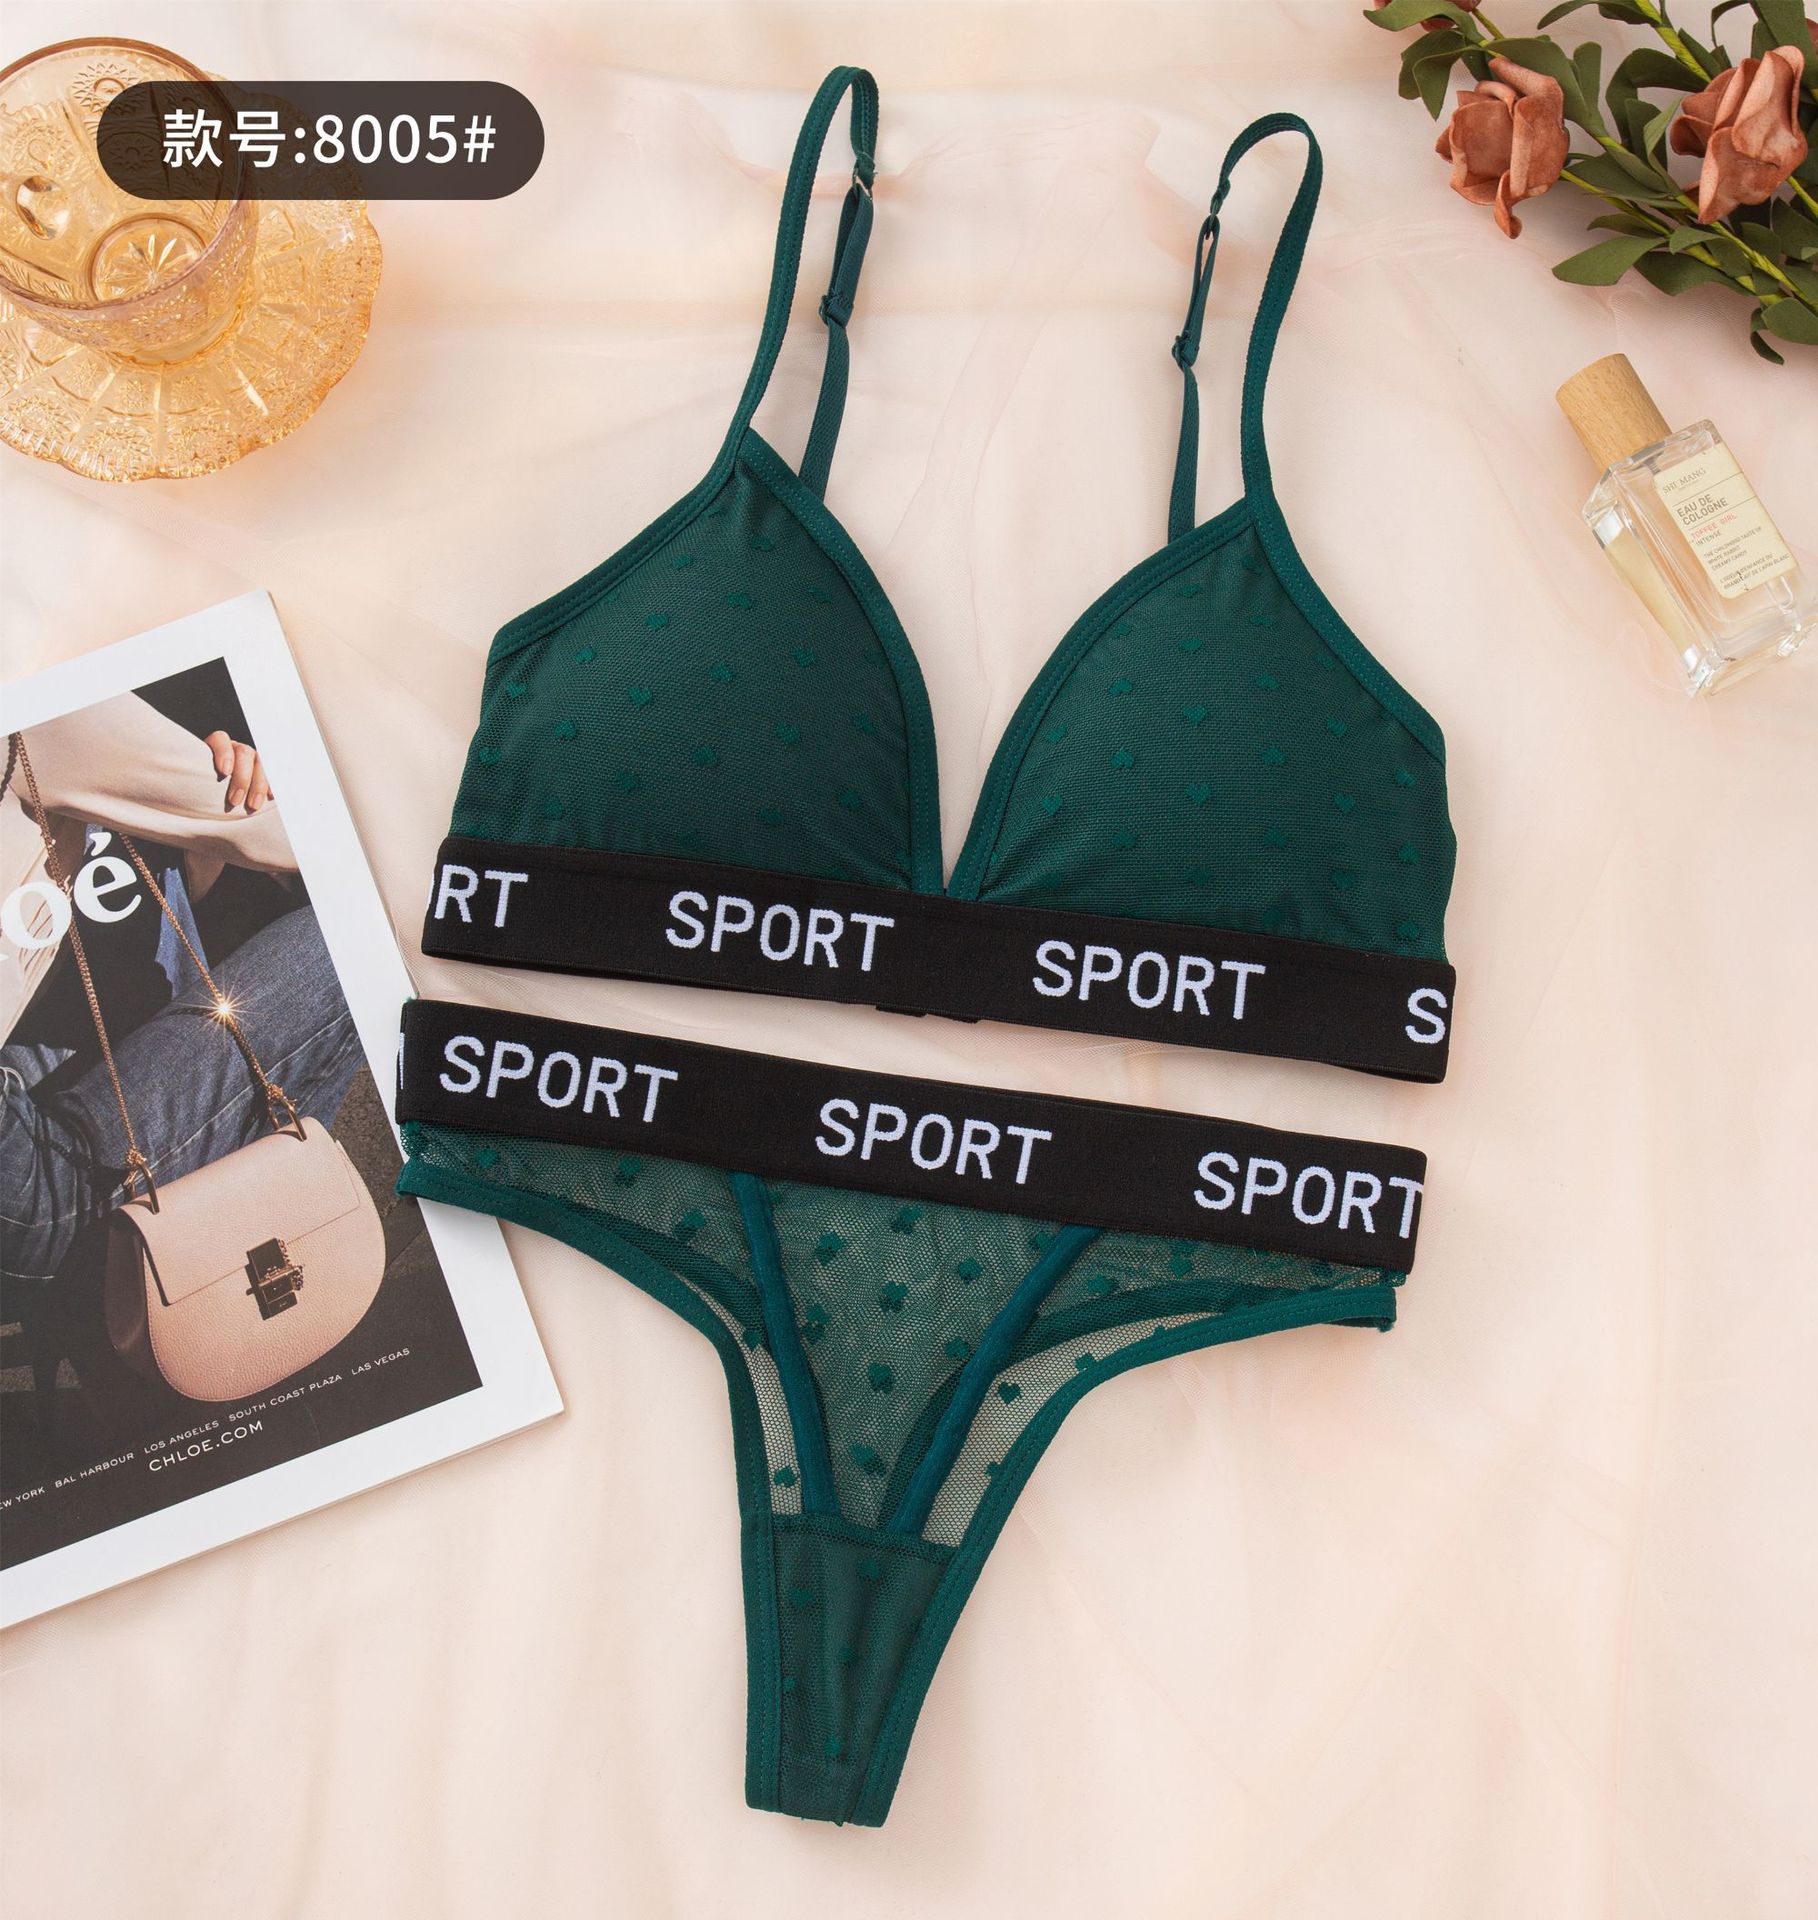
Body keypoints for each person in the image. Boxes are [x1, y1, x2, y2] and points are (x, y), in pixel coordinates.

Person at [1, 689, 362, 1296]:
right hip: (24, 1180)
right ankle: (239, 1253)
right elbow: (306, 833)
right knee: (352, 936)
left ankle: (217, 1243)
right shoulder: (37, 706)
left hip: (31, 1060)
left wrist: (204, 812)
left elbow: (163, 908)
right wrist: (236, 798)